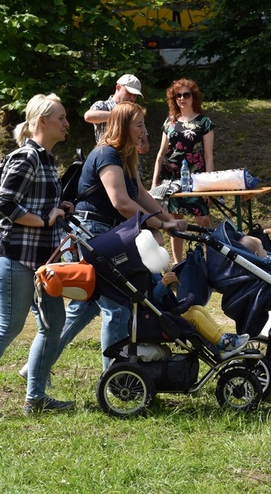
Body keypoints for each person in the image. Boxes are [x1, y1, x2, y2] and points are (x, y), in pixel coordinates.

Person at [0, 93, 75, 418]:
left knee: (54, 324)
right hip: (14, 257)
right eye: (61, 118)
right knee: (7, 327)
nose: (66, 124)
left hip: (42, 262)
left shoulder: (47, 160)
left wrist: (58, 209)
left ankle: (35, 398)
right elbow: (5, 206)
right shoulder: (27, 157)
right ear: (42, 121)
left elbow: (33, 202)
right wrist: (44, 219)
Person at [48, 102, 188, 372]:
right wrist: (159, 223)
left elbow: (140, 195)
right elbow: (122, 202)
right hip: (92, 232)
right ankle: (115, 376)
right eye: (138, 125)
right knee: (117, 307)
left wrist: (169, 220)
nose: (144, 131)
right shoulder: (107, 154)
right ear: (122, 126)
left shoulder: (124, 156)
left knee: (86, 309)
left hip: (104, 232)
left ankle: (37, 367)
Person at [145, 229, 249, 357]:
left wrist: (167, 283)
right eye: (158, 246)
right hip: (158, 319)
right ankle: (222, 343)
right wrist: (163, 284)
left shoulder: (153, 268)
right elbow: (148, 299)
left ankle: (222, 338)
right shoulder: (144, 272)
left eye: (162, 246)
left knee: (198, 308)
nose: (162, 250)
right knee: (194, 315)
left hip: (165, 313)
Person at [151, 78, 215, 263]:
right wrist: (155, 183)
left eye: (186, 94)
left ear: (193, 96)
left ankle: (210, 262)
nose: (182, 98)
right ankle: (178, 265)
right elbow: (161, 154)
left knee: (203, 220)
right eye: (178, 95)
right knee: (175, 223)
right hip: (170, 180)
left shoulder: (204, 122)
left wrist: (209, 187)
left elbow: (209, 156)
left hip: (196, 181)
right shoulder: (170, 122)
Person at [84, 74, 149, 155]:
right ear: (118, 87)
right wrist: (120, 115)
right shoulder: (103, 105)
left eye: (135, 95)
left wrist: (141, 146)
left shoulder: (135, 112)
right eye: (129, 93)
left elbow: (145, 144)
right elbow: (88, 116)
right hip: (108, 159)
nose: (132, 98)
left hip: (130, 163)